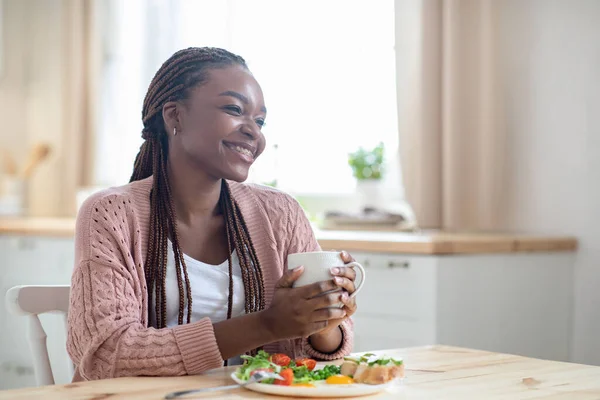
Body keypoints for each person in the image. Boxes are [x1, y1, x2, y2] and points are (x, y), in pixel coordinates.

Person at [66, 47, 358, 381]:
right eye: (234, 109)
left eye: (259, 121)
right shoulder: (111, 213)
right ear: (175, 115)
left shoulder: (281, 212)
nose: (254, 132)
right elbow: (106, 355)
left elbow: (324, 350)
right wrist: (267, 324)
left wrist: (324, 316)